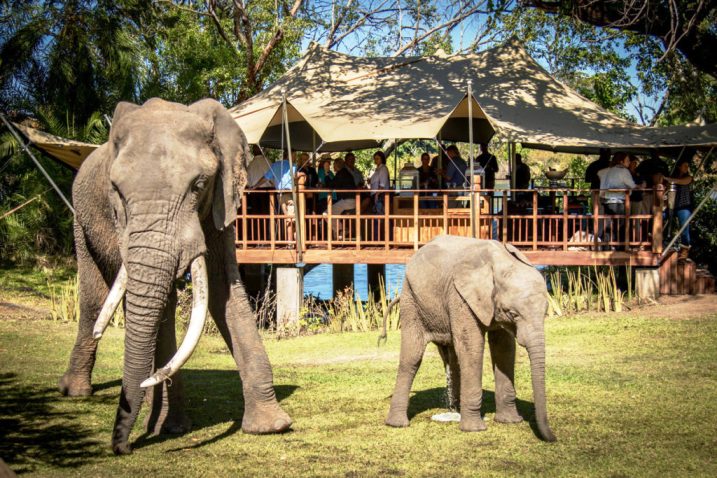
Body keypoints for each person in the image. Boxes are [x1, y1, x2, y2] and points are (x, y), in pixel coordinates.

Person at [599, 152, 637, 249]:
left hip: (608, 200)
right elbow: (632, 185)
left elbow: (599, 174)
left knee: (608, 225)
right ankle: (620, 247)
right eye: (627, 160)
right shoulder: (624, 171)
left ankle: (606, 247)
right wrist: (641, 186)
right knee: (620, 225)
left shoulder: (610, 170)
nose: (629, 163)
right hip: (618, 201)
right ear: (621, 161)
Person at [665, 158, 694, 260]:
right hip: (672, 205)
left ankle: (685, 250)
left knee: (684, 228)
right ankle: (660, 239)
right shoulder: (673, 178)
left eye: (687, 166)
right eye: (684, 165)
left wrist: (670, 180)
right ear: (679, 167)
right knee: (661, 217)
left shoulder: (688, 178)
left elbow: (683, 181)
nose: (687, 168)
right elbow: (666, 187)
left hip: (684, 206)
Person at [326, 157, 357, 239]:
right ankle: (338, 237)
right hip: (351, 201)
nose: (333, 167)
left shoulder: (340, 174)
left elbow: (330, 185)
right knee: (334, 215)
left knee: (326, 214)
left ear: (337, 165)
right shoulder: (346, 173)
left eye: (334, 165)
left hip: (347, 201)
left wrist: (327, 173)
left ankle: (342, 230)